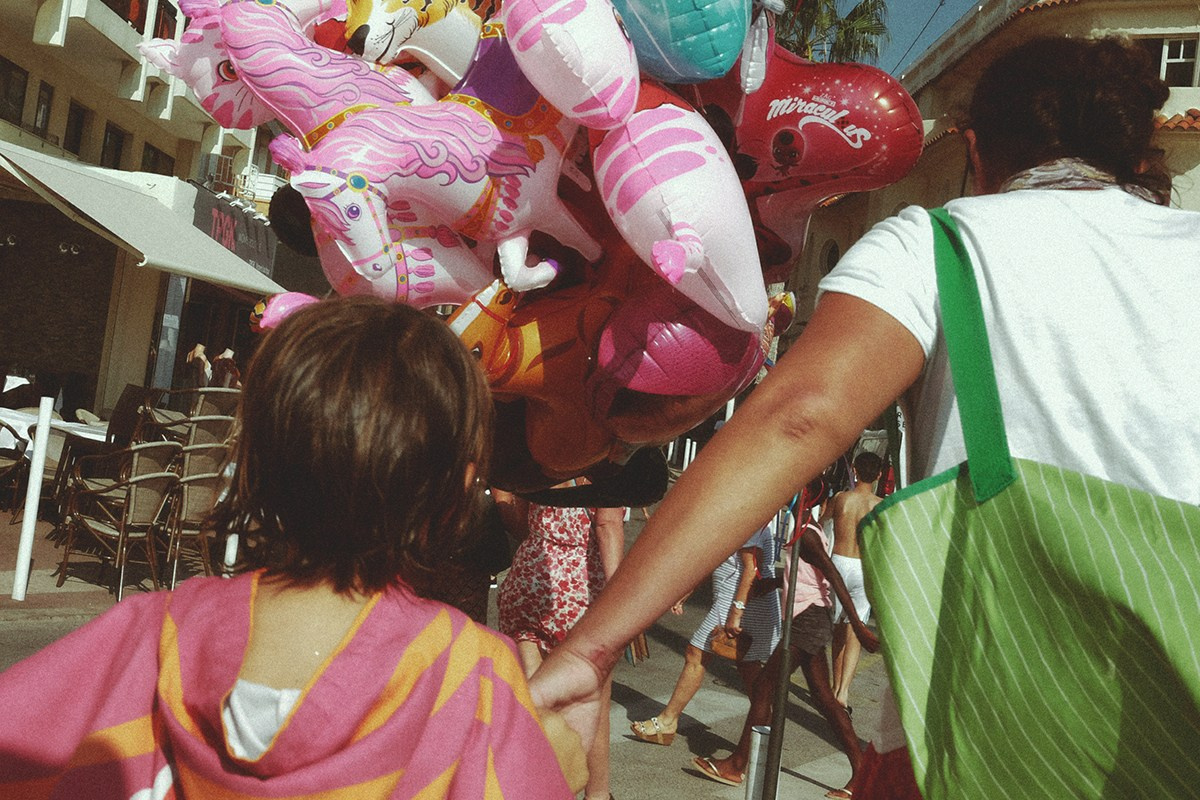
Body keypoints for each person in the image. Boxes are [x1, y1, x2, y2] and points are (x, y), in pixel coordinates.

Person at [527, 34, 1199, 800]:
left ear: (974, 150)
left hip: (988, 738)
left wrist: (592, 649)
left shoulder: (939, 245)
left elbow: (800, 419)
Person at [0, 296, 585, 798]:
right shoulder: (475, 681)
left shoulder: (147, 637)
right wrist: (546, 768)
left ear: (250, 464)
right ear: (460, 491)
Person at [691, 517, 877, 797]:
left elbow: (834, 576)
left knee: (765, 684)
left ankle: (737, 764)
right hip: (808, 618)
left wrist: (859, 627)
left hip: (807, 621)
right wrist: (777, 581)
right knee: (824, 698)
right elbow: (806, 575)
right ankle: (862, 772)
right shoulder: (803, 530)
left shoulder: (808, 535)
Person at [496, 489, 625, 800]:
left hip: (531, 577)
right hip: (579, 584)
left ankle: (529, 784)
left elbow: (520, 522)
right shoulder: (601, 465)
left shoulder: (544, 456)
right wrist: (620, 595)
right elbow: (607, 525)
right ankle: (597, 793)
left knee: (534, 694)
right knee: (595, 694)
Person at [629, 514, 782, 748]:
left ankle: (667, 721)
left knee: (696, 652)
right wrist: (686, 593)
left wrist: (737, 612)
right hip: (740, 598)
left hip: (741, 599)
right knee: (747, 666)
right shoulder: (737, 514)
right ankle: (766, 726)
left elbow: (751, 569)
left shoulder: (751, 515)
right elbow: (713, 559)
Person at [825, 451, 884, 715]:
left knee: (838, 629)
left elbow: (820, 520)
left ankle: (834, 685)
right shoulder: (880, 506)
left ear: (855, 471)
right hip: (862, 567)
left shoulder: (841, 499)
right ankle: (843, 692)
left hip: (838, 563)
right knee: (855, 630)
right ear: (879, 475)